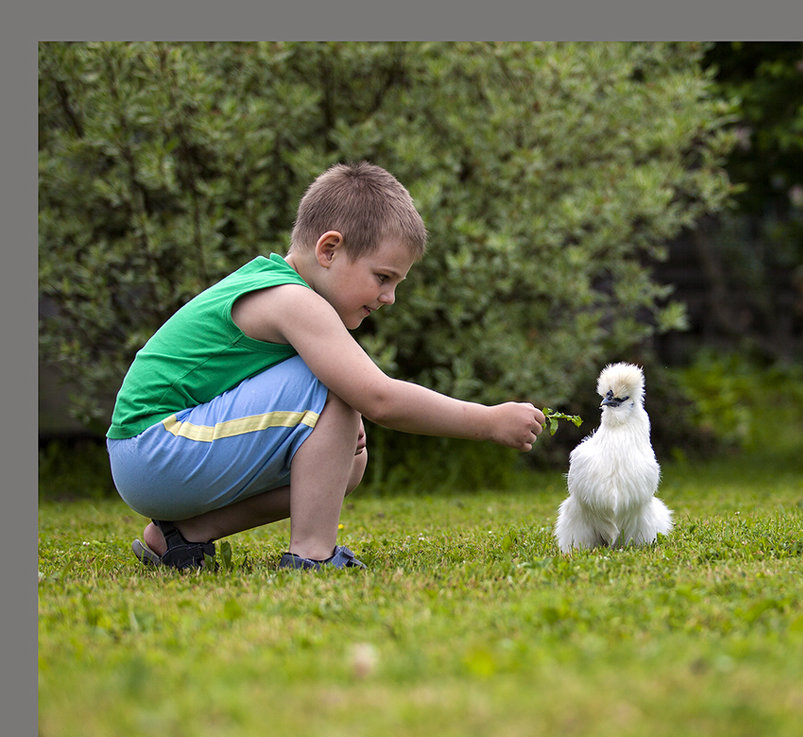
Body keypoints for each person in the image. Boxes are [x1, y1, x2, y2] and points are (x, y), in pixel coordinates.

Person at [106, 162, 546, 571]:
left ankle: (181, 536)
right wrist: (488, 421)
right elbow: (379, 398)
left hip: (153, 458)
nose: (389, 297)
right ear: (330, 249)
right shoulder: (292, 299)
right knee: (340, 387)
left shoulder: (276, 286)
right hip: (154, 448)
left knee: (348, 462)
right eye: (383, 277)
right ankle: (312, 555)